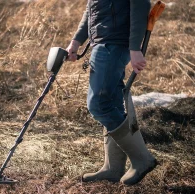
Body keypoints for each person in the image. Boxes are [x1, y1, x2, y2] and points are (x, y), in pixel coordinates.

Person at [66, 0, 157, 185]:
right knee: (112, 104)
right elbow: (92, 10)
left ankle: (142, 159)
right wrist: (76, 41)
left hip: (114, 44)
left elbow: (140, 7)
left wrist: (134, 48)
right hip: (103, 44)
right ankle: (113, 168)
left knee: (99, 104)